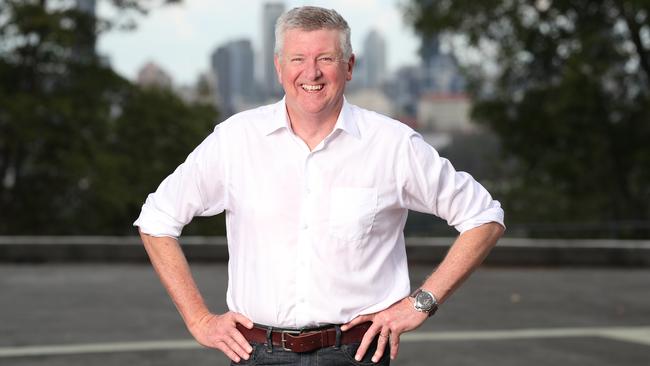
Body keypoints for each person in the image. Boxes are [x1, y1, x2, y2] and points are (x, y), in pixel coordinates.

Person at [134, 6, 504, 366]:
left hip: (356, 353)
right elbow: (157, 219)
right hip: (256, 353)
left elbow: (484, 217)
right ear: (279, 67)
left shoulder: (392, 145)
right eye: (297, 59)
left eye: (325, 58)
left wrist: (421, 302)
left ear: (350, 66)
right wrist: (199, 319)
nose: (311, 72)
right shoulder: (235, 140)